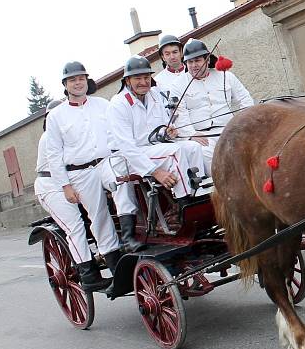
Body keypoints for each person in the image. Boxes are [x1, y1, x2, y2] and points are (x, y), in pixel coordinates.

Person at [44, 63, 121, 291]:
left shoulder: (103, 105)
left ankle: (134, 232)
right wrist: (65, 186)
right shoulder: (56, 116)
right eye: (72, 80)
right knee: (99, 216)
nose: (78, 83)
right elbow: (54, 154)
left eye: (81, 79)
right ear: (65, 85)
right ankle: (116, 266)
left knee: (126, 185)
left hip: (107, 162)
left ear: (87, 81)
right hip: (81, 172)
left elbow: (117, 132)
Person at [107, 55, 206, 205]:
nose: (143, 82)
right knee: (175, 152)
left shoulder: (154, 95)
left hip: (154, 149)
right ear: (128, 81)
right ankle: (184, 203)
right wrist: (155, 172)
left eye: (146, 77)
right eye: (138, 78)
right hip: (126, 158)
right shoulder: (118, 104)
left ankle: (201, 193)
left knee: (193, 147)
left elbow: (163, 125)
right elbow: (127, 148)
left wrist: (168, 132)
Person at [170, 39, 254, 174]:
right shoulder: (178, 84)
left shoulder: (226, 76)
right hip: (202, 135)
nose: (193, 65)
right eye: (190, 62)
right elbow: (179, 113)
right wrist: (191, 134)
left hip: (229, 130)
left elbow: (245, 99)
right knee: (207, 155)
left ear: (207, 60)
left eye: (197, 60)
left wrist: (244, 124)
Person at [154, 33, 186, 104]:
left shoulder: (193, 72)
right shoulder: (157, 81)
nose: (172, 57)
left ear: (181, 53)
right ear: (163, 57)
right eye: (167, 54)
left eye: (175, 52)